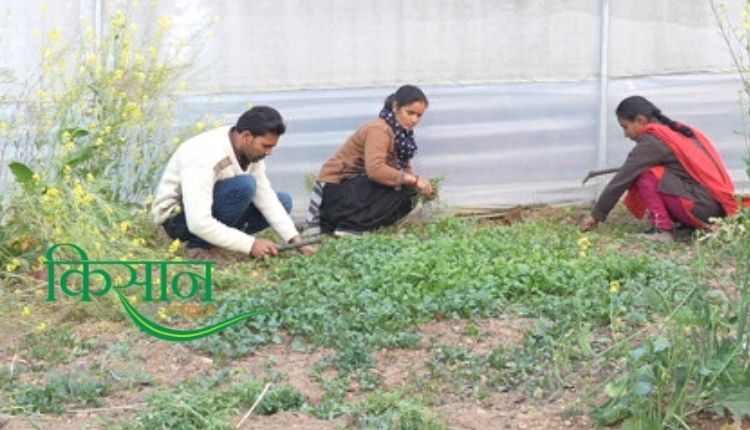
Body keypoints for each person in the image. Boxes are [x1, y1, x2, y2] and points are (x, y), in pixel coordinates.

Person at [151, 106, 317, 259]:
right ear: (246, 136)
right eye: (266, 146)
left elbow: (266, 197)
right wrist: (250, 244)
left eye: (272, 147)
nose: (270, 152)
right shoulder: (204, 155)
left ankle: (219, 240)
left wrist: (295, 241)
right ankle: (198, 247)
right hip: (178, 221)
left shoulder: (250, 152)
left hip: (212, 208)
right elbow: (197, 222)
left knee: (283, 201)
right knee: (245, 186)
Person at [581, 95, 738, 240]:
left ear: (641, 120)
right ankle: (682, 223)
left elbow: (623, 178)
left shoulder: (653, 141)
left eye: (625, 127)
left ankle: (662, 229)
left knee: (646, 173)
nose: (625, 135)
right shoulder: (673, 130)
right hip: (713, 207)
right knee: (657, 173)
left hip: (701, 208)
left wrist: (596, 215)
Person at [306, 84, 434, 236]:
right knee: (401, 184)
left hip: (354, 192)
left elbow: (403, 169)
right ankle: (349, 227)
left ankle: (357, 226)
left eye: (419, 115)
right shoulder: (379, 129)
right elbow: (375, 170)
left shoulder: (401, 135)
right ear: (395, 106)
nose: (414, 120)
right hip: (336, 192)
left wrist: (419, 184)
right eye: (410, 113)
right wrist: (413, 179)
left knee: (410, 192)